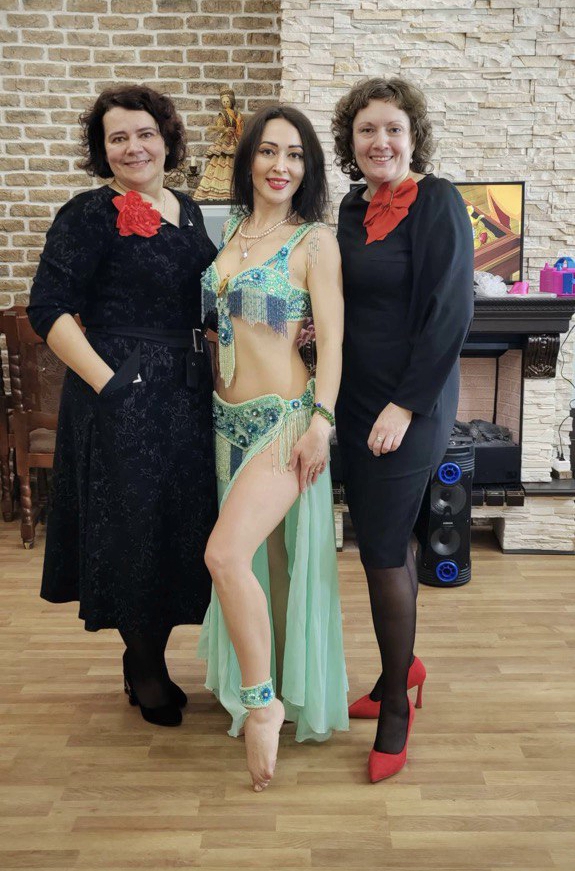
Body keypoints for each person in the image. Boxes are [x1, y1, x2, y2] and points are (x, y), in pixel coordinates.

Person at [27, 85, 218, 728]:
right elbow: (48, 309)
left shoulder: (189, 210)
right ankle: (145, 666)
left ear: (167, 140)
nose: (134, 148)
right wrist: (110, 384)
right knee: (132, 529)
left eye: (145, 134)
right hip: (122, 394)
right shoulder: (85, 214)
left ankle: (149, 656)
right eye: (118, 138)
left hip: (186, 394)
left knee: (173, 526)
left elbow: (204, 300)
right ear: (101, 149)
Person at [198, 104, 348, 792]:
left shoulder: (314, 241)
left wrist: (321, 421)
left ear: (307, 167)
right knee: (270, 566)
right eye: (267, 151)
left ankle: (264, 705)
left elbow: (333, 340)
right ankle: (279, 681)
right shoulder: (231, 229)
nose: (279, 165)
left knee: (224, 555)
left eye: (293, 154)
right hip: (224, 423)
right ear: (248, 160)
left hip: (283, 425)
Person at [331, 77, 474, 781]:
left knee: (382, 550)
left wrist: (405, 406)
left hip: (410, 402)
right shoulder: (350, 208)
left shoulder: (438, 201)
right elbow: (348, 300)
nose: (379, 141)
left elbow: (450, 312)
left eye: (393, 128)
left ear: (413, 137)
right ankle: (402, 667)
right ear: (349, 142)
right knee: (384, 539)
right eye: (366, 130)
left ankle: (395, 706)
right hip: (355, 397)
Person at [193, 86, 244, 202]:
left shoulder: (237, 114)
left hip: (235, 139)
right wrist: (225, 130)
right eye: (224, 102)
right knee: (222, 160)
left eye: (227, 101)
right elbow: (219, 127)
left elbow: (241, 126)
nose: (225, 103)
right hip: (225, 139)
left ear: (232, 101)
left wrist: (238, 131)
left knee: (233, 160)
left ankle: (234, 188)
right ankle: (219, 189)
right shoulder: (222, 114)